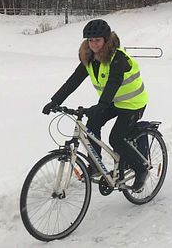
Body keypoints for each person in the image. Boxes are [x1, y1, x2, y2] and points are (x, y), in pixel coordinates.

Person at [42, 19, 149, 190]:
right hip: (113, 102)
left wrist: (101, 105)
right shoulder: (89, 58)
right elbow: (73, 81)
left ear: (106, 40)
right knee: (92, 125)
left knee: (116, 138)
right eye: (90, 40)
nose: (93, 44)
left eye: (97, 40)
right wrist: (55, 100)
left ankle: (141, 169)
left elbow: (114, 82)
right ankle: (95, 165)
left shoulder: (118, 58)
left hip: (132, 104)